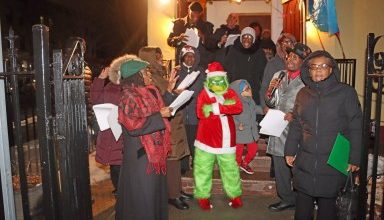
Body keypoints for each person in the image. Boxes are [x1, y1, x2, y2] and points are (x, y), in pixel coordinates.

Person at [284, 50, 362, 220]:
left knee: (327, 208)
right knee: (303, 207)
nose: (318, 70)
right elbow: (296, 124)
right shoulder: (303, 94)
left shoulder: (346, 93)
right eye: (313, 66)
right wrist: (289, 150)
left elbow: (356, 126)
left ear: (331, 69)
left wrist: (355, 158)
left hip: (333, 160)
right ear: (308, 70)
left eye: (323, 66)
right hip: (306, 160)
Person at [113, 55, 173, 220]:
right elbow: (133, 126)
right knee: (143, 198)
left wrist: (169, 93)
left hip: (154, 154)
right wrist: (159, 116)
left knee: (155, 195)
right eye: (145, 72)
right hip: (141, 157)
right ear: (136, 75)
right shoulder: (128, 97)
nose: (149, 75)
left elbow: (159, 109)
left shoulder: (149, 91)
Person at [138, 46, 193, 210]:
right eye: (157, 56)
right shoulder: (149, 78)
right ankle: (173, 195)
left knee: (175, 160)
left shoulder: (159, 74)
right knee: (171, 160)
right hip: (165, 124)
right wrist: (171, 91)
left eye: (160, 55)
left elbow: (165, 95)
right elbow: (157, 102)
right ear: (149, 58)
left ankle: (178, 190)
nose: (161, 58)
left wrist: (175, 91)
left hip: (174, 121)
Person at [265, 43, 312, 212]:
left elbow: (312, 105)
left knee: (297, 167)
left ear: (303, 62)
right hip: (277, 127)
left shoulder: (308, 80)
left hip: (297, 131)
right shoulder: (279, 74)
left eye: (295, 57)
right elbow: (270, 101)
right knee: (279, 165)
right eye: (289, 56)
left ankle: (303, 200)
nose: (290, 60)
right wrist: (270, 96)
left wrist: (295, 114)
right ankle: (286, 198)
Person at [194, 62, 243, 210]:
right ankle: (203, 197)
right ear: (209, 80)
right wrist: (225, 106)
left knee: (230, 171)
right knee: (203, 170)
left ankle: (235, 196)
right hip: (206, 140)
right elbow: (201, 113)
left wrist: (215, 108)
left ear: (225, 80)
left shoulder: (230, 92)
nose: (217, 83)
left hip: (227, 140)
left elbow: (238, 107)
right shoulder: (204, 94)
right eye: (214, 81)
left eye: (220, 80)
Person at [90, 67, 123, 196]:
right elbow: (95, 100)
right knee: (116, 164)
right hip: (112, 132)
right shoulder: (109, 88)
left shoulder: (131, 87)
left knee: (124, 164)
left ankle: (123, 189)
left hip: (126, 130)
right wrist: (100, 80)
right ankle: (119, 190)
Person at [173, 45, 205, 173]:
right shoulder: (176, 72)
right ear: (183, 58)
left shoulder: (201, 72)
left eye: (192, 56)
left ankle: (197, 164)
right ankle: (183, 165)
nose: (190, 59)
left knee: (195, 141)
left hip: (195, 113)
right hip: (181, 113)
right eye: (187, 56)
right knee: (182, 139)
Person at [223, 27, 267, 105]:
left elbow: (263, 74)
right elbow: (227, 71)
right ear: (241, 38)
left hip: (253, 90)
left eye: (250, 37)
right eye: (244, 36)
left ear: (253, 40)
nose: (247, 39)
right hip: (236, 88)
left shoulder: (259, 52)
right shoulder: (234, 50)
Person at [167, 1, 215, 68]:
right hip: (183, 65)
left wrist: (203, 37)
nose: (196, 15)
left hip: (200, 65)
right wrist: (178, 39)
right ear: (188, 10)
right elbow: (169, 41)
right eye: (194, 12)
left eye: (198, 13)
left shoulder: (207, 26)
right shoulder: (178, 24)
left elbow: (212, 45)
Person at [229, 79, 263, 174]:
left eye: (248, 87)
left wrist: (264, 110)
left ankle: (244, 163)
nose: (249, 90)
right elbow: (230, 117)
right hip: (239, 133)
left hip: (250, 131)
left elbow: (255, 109)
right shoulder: (235, 103)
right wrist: (237, 125)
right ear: (239, 92)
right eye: (246, 89)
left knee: (253, 150)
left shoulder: (250, 101)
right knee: (237, 154)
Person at [259, 33, 296, 113]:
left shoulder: (298, 63)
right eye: (283, 42)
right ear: (279, 45)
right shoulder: (272, 64)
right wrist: (264, 106)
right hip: (275, 106)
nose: (286, 45)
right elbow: (264, 87)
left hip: (293, 109)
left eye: (289, 42)